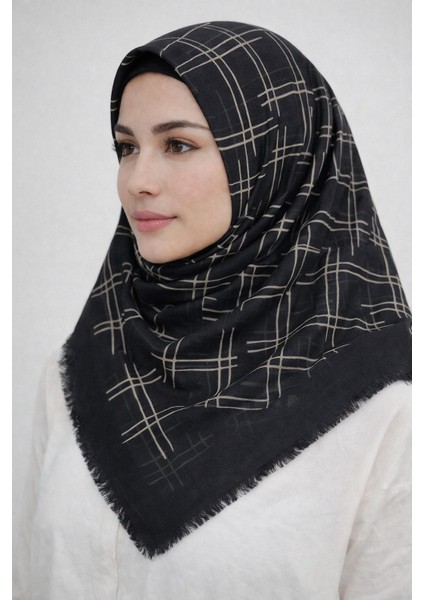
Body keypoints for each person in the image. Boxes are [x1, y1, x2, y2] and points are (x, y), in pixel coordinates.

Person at [14, 21, 411, 599]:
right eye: (127, 147)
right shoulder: (77, 373)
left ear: (274, 156)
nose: (137, 180)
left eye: (178, 145)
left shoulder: (387, 404)